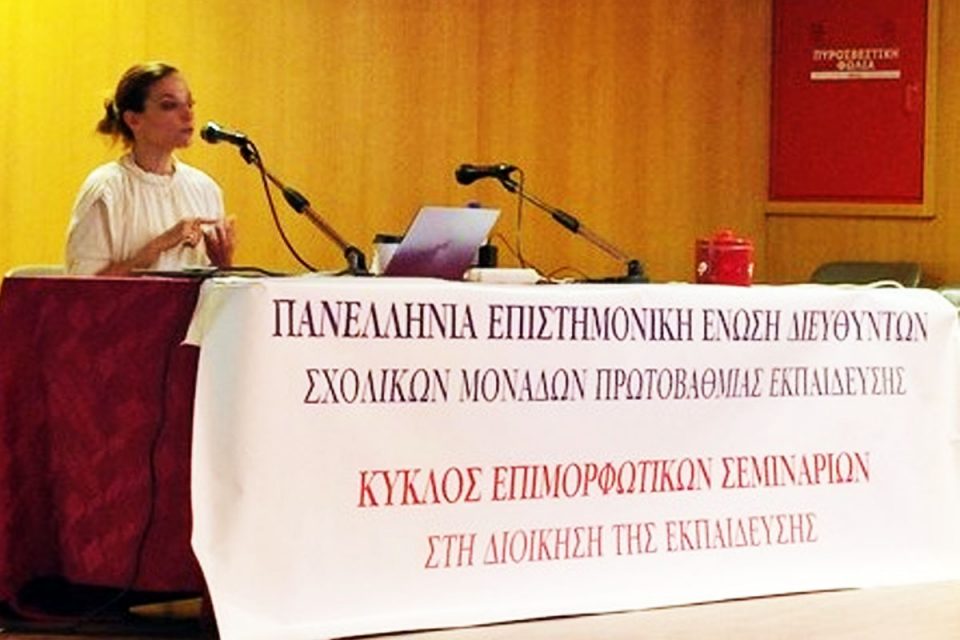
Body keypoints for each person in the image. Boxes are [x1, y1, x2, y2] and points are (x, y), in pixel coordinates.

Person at [65, 62, 235, 275]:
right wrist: (157, 247)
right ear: (133, 120)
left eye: (190, 104)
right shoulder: (105, 190)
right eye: (169, 105)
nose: (188, 115)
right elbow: (82, 288)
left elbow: (215, 288)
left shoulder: (206, 189)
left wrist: (223, 264)